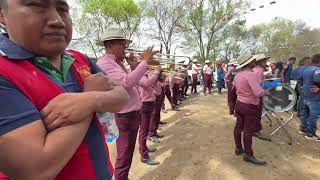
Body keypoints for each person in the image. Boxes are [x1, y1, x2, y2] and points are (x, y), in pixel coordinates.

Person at [0, 1, 130, 179]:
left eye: (62, 9)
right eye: (37, 5)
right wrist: (88, 99)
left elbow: (122, 96)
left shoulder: (78, 58)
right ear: (2, 15)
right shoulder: (4, 71)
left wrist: (90, 100)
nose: (57, 20)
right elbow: (37, 170)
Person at [96, 28, 157, 179]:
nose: (125, 47)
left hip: (130, 115)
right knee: (124, 157)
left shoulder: (117, 63)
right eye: (122, 44)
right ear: (110, 46)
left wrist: (134, 66)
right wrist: (144, 62)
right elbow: (127, 82)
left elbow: (131, 80)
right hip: (124, 117)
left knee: (127, 155)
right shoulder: (105, 63)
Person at [233, 54, 270, 165]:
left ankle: (238, 148)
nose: (254, 62)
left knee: (238, 127)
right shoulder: (251, 74)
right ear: (249, 63)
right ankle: (248, 154)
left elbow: (236, 89)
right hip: (249, 105)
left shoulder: (238, 75)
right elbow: (257, 92)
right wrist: (265, 92)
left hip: (239, 104)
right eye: (253, 60)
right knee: (248, 130)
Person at [138, 68, 161, 164]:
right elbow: (146, 83)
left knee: (145, 130)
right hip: (144, 104)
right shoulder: (138, 74)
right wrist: (156, 72)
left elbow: (155, 87)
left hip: (149, 103)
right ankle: (144, 156)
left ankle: (144, 148)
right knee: (143, 131)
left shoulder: (147, 73)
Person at [299, 54, 320, 141]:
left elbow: (300, 80)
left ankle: (303, 129)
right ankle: (310, 134)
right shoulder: (317, 70)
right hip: (314, 97)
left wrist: (303, 88)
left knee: (305, 113)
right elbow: (317, 80)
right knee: (313, 115)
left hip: (306, 95)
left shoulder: (307, 69)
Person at [252, 54, 271, 141]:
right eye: (264, 61)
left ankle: (253, 129)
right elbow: (258, 86)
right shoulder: (259, 71)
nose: (265, 62)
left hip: (252, 95)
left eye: (265, 61)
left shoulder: (254, 70)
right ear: (259, 62)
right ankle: (255, 130)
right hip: (257, 96)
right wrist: (265, 92)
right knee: (257, 113)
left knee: (255, 113)